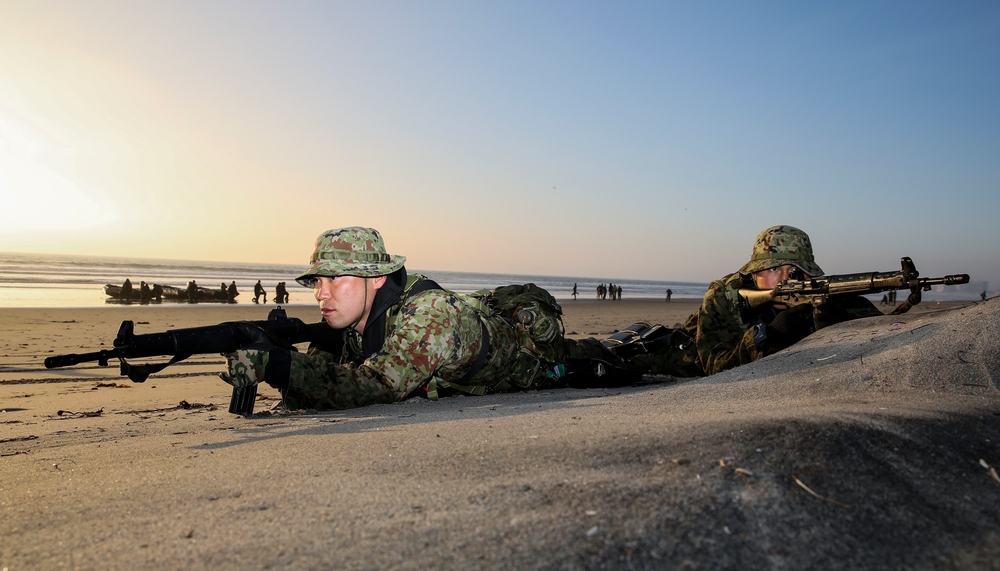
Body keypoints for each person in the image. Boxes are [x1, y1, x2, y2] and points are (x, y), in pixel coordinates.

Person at [219, 227, 673, 411]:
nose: (321, 293)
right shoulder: (347, 322)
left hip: (542, 362)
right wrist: (285, 361)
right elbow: (327, 380)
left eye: (336, 279)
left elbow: (376, 387)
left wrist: (278, 366)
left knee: (645, 354)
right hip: (490, 358)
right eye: (316, 282)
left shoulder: (426, 316)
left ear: (376, 280)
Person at [679, 225, 883, 376]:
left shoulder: (818, 291)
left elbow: (887, 329)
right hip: (685, 351)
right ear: (754, 273)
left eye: (796, 271)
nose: (786, 279)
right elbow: (714, 366)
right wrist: (768, 339)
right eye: (774, 269)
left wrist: (843, 326)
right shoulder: (725, 295)